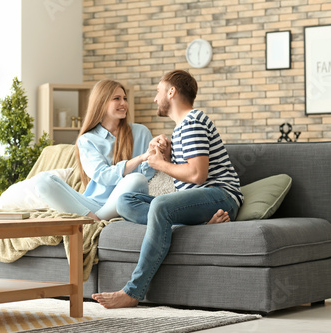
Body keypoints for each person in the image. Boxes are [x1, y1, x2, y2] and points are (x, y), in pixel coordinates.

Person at [92, 70, 243, 308]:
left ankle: (133, 291)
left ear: (171, 92)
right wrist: (168, 153)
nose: (155, 98)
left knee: (161, 205)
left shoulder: (193, 121)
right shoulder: (183, 127)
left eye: (158, 91)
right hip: (201, 201)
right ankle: (199, 227)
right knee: (125, 202)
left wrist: (161, 163)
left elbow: (197, 174)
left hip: (221, 197)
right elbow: (188, 168)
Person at [35, 79, 155, 221]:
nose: (123, 103)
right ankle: (94, 216)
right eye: (117, 98)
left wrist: (156, 153)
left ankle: (95, 220)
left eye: (125, 98)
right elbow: (102, 175)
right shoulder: (87, 140)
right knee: (43, 180)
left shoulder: (141, 132)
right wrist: (139, 159)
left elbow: (148, 175)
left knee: (137, 179)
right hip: (92, 204)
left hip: (124, 201)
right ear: (101, 103)